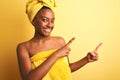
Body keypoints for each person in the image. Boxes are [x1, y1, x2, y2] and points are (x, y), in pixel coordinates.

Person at [16, 0, 102, 80]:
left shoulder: (60, 41)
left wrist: (86, 59)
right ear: (33, 21)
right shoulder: (24, 48)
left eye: (52, 21)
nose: (49, 25)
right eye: (44, 20)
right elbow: (29, 78)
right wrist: (56, 55)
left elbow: (66, 69)